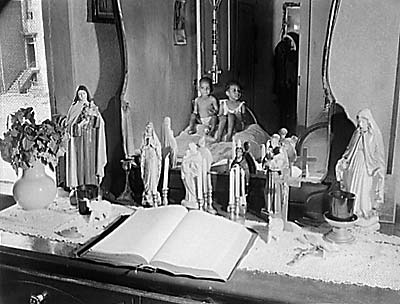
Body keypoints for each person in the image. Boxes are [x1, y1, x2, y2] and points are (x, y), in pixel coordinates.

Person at [335, 108, 385, 220]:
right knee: (352, 186)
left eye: (362, 122)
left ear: (368, 122)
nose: (360, 124)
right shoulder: (357, 133)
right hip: (355, 162)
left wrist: (377, 168)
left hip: (367, 166)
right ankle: (353, 209)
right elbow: (350, 148)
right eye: (359, 122)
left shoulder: (374, 136)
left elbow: (378, 155)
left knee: (364, 188)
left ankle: (363, 210)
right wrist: (344, 159)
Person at [66, 85, 107, 190]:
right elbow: (69, 123)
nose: (81, 96)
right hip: (78, 140)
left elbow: (100, 122)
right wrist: (78, 124)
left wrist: (93, 118)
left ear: (87, 94)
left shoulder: (92, 107)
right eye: (79, 94)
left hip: (91, 139)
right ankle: (80, 186)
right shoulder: (74, 107)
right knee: (80, 163)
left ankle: (92, 186)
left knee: (91, 163)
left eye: (83, 93)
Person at [140, 122, 162, 207]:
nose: (148, 130)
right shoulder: (144, 140)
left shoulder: (155, 140)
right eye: (147, 128)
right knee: (146, 177)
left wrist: (152, 145)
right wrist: (145, 147)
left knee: (152, 177)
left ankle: (153, 192)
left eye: (149, 128)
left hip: (153, 162)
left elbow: (158, 150)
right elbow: (142, 150)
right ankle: (147, 192)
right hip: (146, 162)